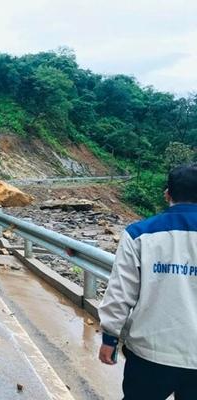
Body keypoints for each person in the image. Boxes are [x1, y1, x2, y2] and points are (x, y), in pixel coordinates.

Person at [98, 163, 197, 399]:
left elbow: (120, 292)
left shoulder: (139, 234)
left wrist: (109, 338)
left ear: (167, 194)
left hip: (150, 352)